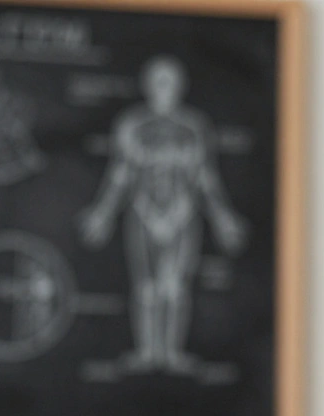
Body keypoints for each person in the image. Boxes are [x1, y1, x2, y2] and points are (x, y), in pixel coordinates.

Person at [79, 56, 247, 375]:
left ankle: (170, 354)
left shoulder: (194, 127)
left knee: (175, 287)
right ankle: (146, 353)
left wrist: (223, 217)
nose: (164, 89)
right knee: (145, 287)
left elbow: (204, 176)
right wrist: (102, 213)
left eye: (170, 82)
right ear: (147, 86)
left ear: (180, 87)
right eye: (158, 82)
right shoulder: (131, 125)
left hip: (183, 214)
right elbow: (121, 175)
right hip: (142, 212)